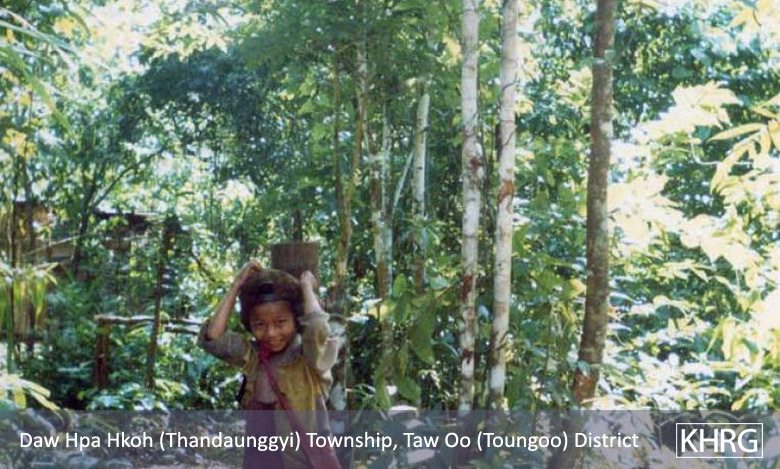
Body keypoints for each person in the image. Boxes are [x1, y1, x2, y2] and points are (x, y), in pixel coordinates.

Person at [197, 260, 342, 468]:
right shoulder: (254, 356)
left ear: (296, 320)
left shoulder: (309, 360)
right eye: (260, 325)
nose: (271, 333)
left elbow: (317, 328)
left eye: (281, 322)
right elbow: (214, 336)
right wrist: (237, 285)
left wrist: (306, 289)